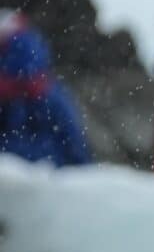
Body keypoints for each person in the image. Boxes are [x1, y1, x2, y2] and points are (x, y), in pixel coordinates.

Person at [0, 12, 93, 167]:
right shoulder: (47, 90)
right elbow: (75, 142)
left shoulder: (43, 93)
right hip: (50, 169)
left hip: (42, 173)